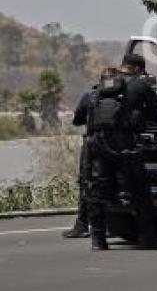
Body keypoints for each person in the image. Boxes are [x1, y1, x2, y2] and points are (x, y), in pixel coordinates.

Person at [87, 54, 157, 251]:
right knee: (139, 191)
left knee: (98, 190)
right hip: (125, 144)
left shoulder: (103, 85)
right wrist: (139, 115)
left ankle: (98, 240)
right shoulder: (139, 85)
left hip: (99, 142)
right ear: (138, 69)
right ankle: (146, 237)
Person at [62, 70, 117, 239]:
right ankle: (109, 224)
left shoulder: (90, 96)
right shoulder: (123, 96)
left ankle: (82, 224)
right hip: (118, 145)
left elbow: (77, 120)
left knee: (87, 184)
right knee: (112, 182)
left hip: (93, 145)